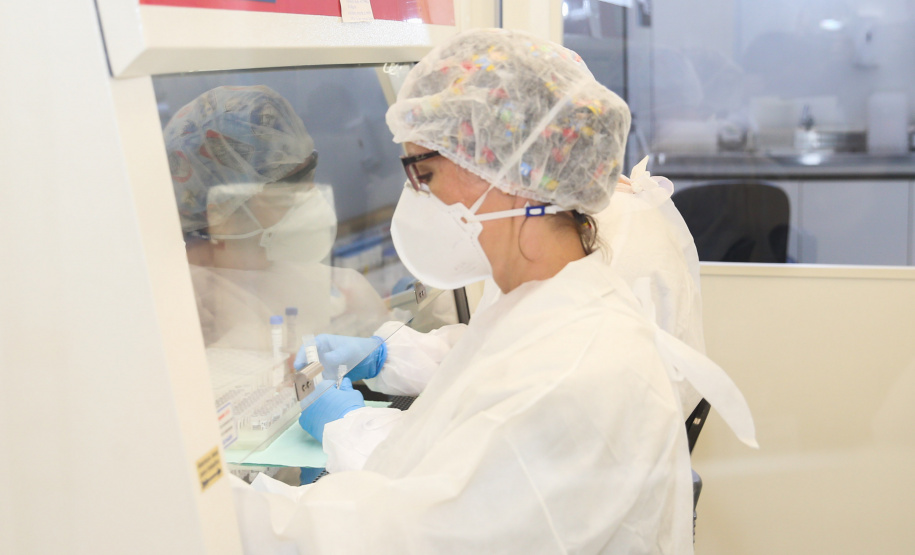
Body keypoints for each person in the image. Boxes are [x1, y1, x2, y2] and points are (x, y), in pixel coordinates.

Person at [232, 28, 756, 553]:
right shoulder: (543, 301)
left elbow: (415, 535)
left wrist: (227, 509)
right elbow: (477, 415)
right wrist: (388, 355)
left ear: (511, 173)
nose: (415, 195)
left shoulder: (574, 377)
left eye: (424, 171)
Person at [164, 85, 390, 352]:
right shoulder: (184, 310)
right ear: (222, 209)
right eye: (288, 189)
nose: (310, 197)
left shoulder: (329, 287)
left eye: (309, 175)